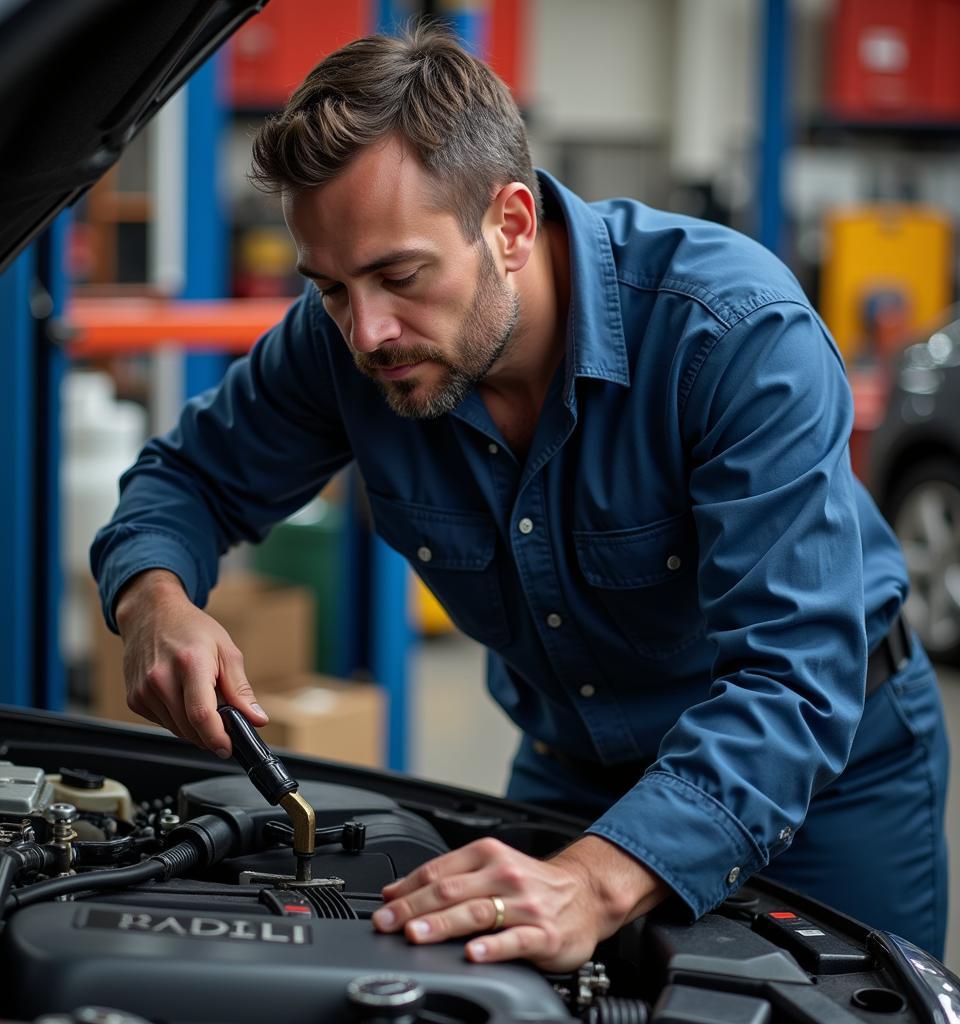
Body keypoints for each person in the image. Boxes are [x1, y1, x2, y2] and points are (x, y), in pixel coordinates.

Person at [92, 25, 949, 968]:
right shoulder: (340, 341)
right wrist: (154, 600)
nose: (367, 331)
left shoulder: (734, 337)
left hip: (829, 772)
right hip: (577, 763)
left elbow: (792, 673)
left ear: (508, 223)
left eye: (399, 275)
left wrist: (595, 877)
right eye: (332, 288)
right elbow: (189, 477)